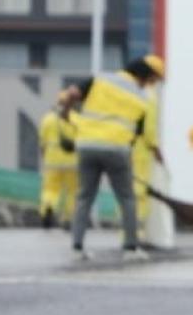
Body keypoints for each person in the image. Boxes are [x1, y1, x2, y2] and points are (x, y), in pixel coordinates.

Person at [71, 55, 165, 261]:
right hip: (116, 148)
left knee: (84, 196)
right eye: (152, 80)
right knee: (127, 198)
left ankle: (77, 247)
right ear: (145, 76)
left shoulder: (101, 79)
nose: (151, 84)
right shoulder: (143, 96)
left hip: (86, 145)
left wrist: (67, 111)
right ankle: (130, 248)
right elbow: (140, 132)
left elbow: (72, 94)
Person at [37, 88, 79, 229]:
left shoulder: (48, 119)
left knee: (50, 188)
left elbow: (42, 142)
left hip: (52, 161)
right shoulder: (76, 119)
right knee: (72, 191)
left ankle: (48, 207)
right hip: (72, 162)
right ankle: (68, 218)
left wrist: (44, 157)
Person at [130, 85, 161, 246]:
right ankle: (137, 233)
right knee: (140, 191)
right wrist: (155, 147)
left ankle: (127, 233)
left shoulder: (131, 91)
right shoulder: (150, 97)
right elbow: (149, 129)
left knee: (127, 190)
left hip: (125, 144)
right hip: (140, 149)